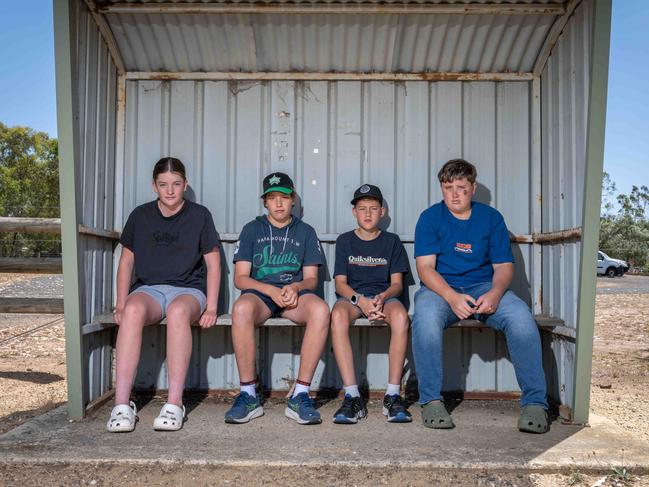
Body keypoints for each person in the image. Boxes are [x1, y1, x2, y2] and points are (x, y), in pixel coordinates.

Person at [412, 159, 549, 433]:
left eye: (461, 187)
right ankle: (431, 400)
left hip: (484, 288)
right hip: (441, 290)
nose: (454, 193)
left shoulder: (491, 218)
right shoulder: (430, 217)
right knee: (424, 319)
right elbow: (425, 269)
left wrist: (496, 294)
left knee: (521, 318)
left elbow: (503, 267)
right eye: (448, 187)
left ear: (473, 188)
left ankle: (535, 404)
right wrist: (451, 297)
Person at [106, 157, 221, 433]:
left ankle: (174, 403)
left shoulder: (200, 215)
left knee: (179, 312)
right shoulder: (141, 215)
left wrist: (212, 307)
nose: (170, 190)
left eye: (176, 184)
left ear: (185, 184)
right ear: (154, 186)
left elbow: (214, 263)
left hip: (189, 290)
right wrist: (121, 303)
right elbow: (126, 262)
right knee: (133, 311)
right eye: (163, 184)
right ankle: (122, 405)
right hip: (150, 290)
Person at [224, 172, 330, 425]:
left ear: (293, 199)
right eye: (272, 198)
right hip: (261, 296)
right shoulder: (252, 229)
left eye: (284, 197)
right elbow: (240, 278)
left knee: (321, 310)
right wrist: (270, 291)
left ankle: (301, 395)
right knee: (240, 309)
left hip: (295, 297)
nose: (279, 203)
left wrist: (295, 286)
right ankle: (249, 394)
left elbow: (312, 279)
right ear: (265, 202)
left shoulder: (305, 231)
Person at [330, 184, 411, 424]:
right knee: (337, 316)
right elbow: (340, 285)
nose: (367, 214)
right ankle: (352, 396)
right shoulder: (345, 241)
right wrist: (360, 301)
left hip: (383, 297)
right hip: (354, 299)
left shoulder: (392, 241)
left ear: (382, 212)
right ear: (354, 212)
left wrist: (382, 298)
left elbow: (397, 283)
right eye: (362, 208)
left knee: (400, 317)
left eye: (373, 208)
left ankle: (393, 395)